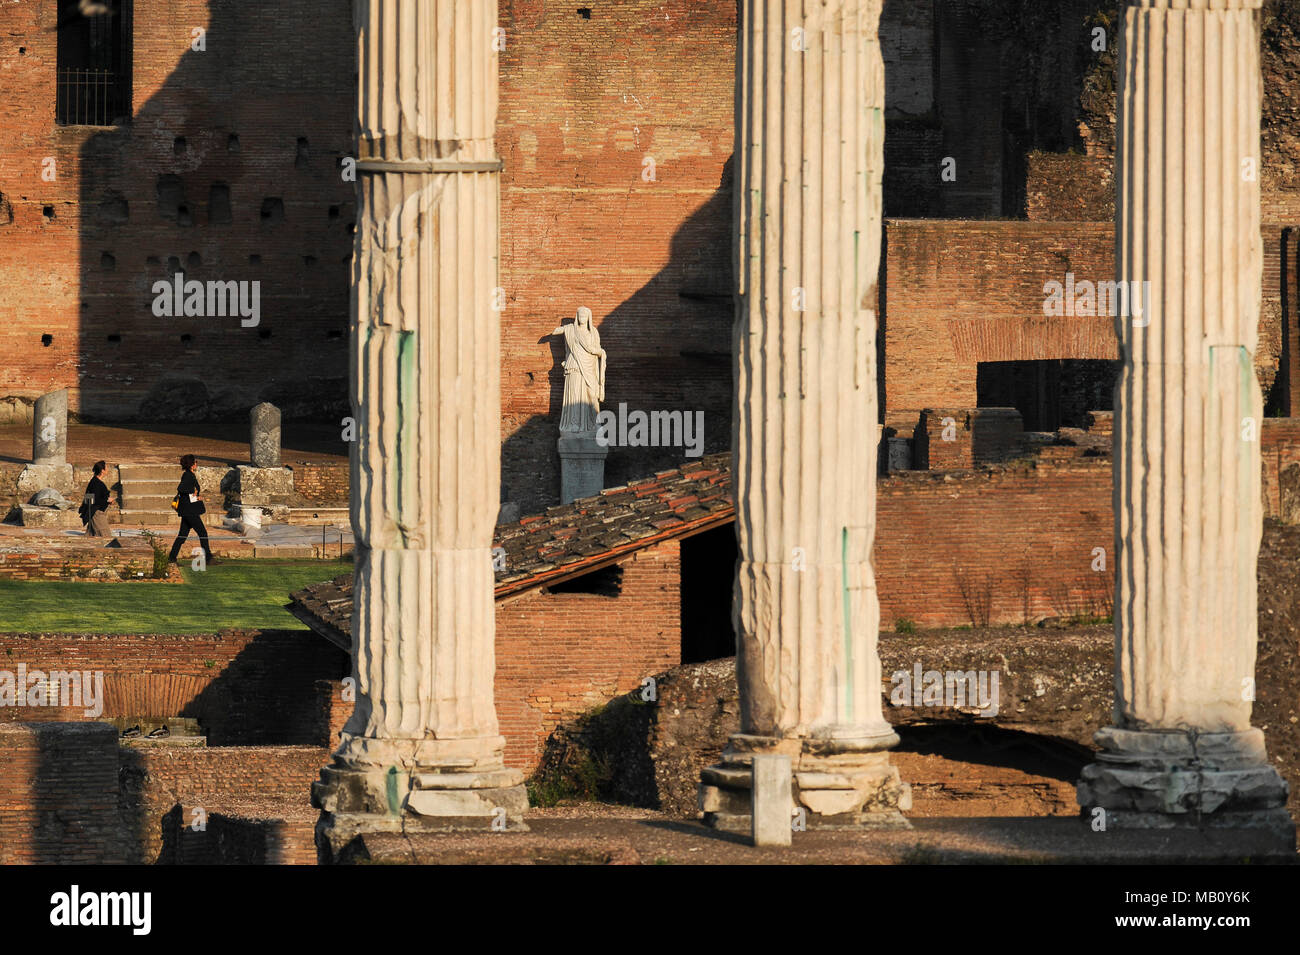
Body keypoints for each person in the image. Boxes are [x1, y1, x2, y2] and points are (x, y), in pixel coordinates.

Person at [168, 453, 216, 566]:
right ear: (192, 464)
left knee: (182, 535)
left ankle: (171, 558)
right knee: (203, 533)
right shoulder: (188, 476)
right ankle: (208, 558)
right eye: (195, 462)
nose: (196, 464)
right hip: (190, 512)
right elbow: (181, 488)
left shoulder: (190, 475)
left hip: (188, 511)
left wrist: (195, 496)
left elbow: (188, 492)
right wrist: (193, 493)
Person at [80, 460, 118, 537]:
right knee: (105, 536)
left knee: (91, 537)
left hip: (93, 512)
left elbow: (91, 497)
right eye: (106, 468)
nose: (108, 469)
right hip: (96, 513)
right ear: (102, 471)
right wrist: (108, 500)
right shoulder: (96, 483)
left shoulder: (94, 481)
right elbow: (94, 500)